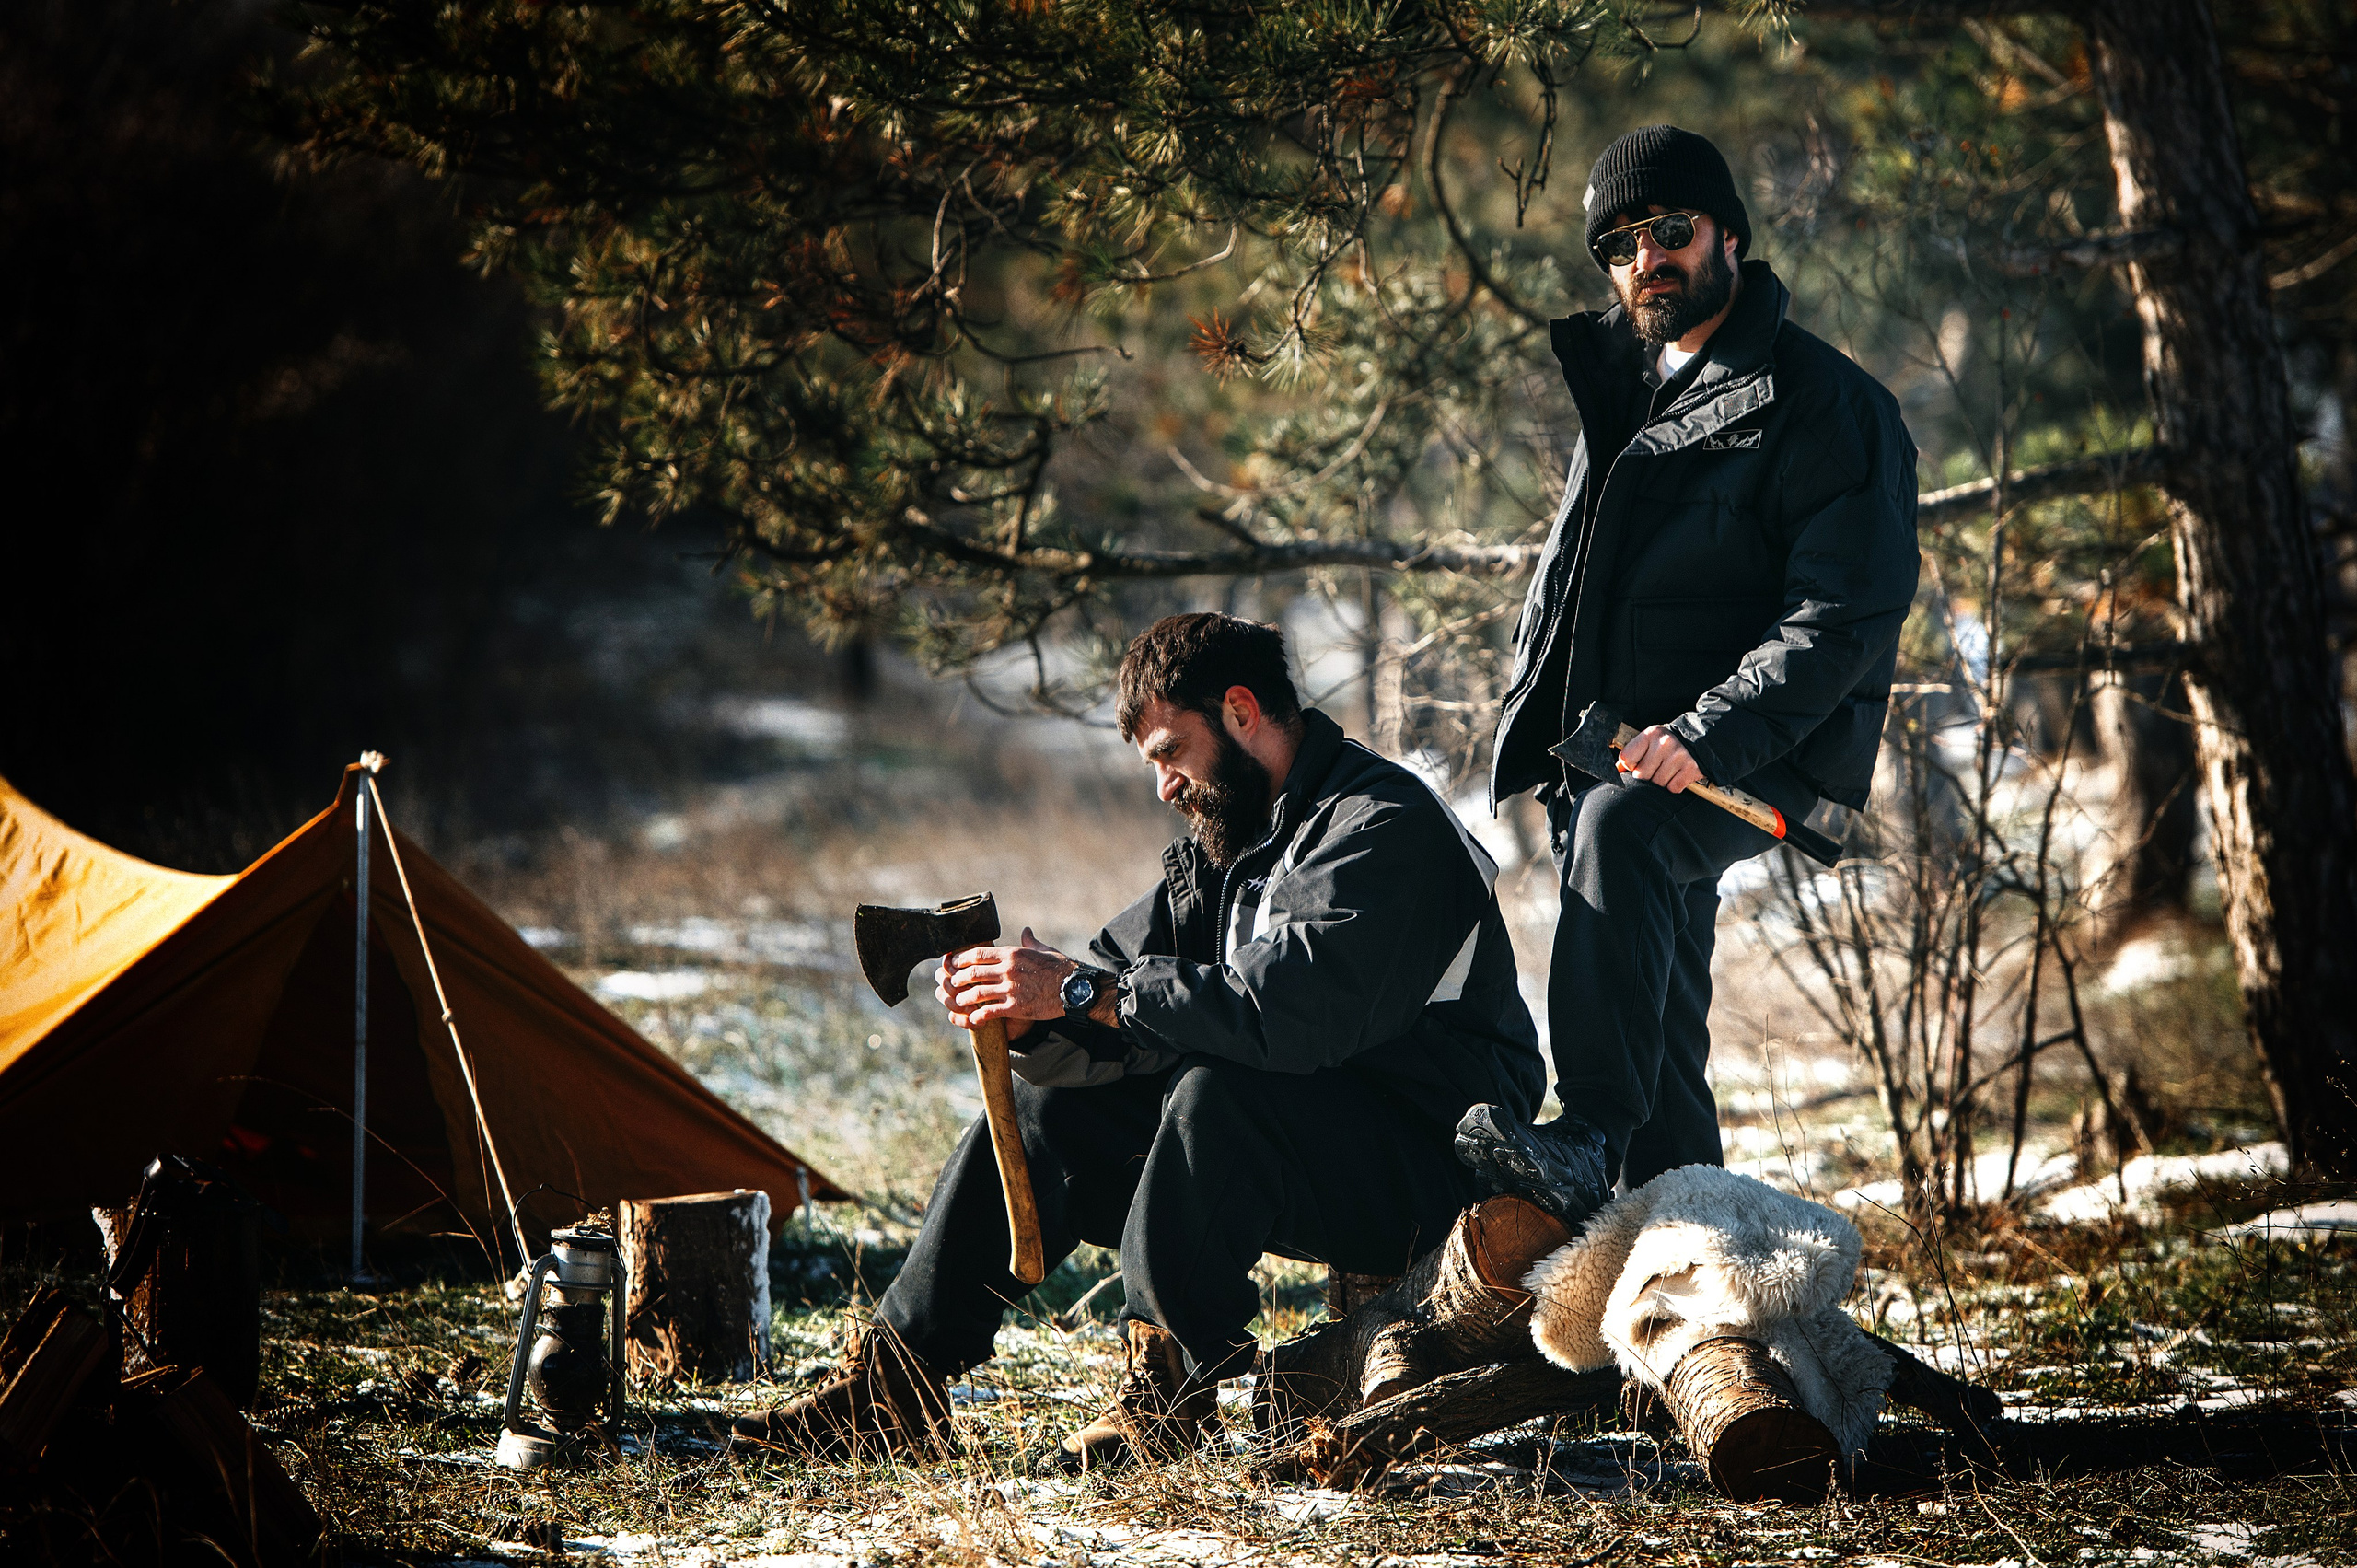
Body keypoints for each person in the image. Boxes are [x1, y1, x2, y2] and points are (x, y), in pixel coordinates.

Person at [728, 612, 1544, 1468]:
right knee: (1055, 1104)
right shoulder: (1236, 840)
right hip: (1304, 1146)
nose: (1164, 785)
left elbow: (1292, 1016)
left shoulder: (1383, 825)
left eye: (1170, 752)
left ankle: (1166, 1396)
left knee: (1219, 1091)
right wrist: (1039, 1014)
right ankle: (896, 1385)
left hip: (1437, 1167)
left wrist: (1087, 991)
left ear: (1239, 711)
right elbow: (1127, 995)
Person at [1453, 124, 1920, 1225]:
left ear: (1727, 237)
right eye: (1618, 243)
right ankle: (1697, 1291)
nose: (1643, 259)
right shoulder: (1625, 390)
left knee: (1627, 837)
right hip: (1616, 753)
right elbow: (1579, 580)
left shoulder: (1828, 405)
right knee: (1659, 1035)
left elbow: (1839, 618)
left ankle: (1584, 1133)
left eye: (1668, 231)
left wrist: (1702, 734)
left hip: (1748, 758)